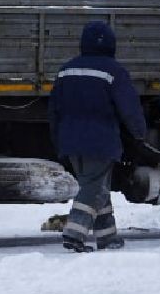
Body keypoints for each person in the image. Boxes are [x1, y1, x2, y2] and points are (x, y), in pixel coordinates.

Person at [48, 20, 147, 253]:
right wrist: (140, 134)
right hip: (101, 140)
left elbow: (54, 110)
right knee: (93, 188)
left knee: (96, 186)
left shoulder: (66, 70)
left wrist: (57, 139)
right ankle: (74, 233)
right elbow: (129, 108)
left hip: (70, 140)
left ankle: (107, 237)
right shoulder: (114, 71)